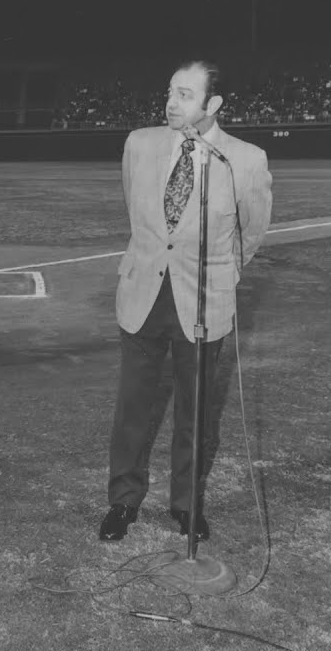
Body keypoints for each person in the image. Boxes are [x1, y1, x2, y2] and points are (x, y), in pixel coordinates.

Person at [99, 60, 273, 542]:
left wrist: (223, 272)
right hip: (142, 294)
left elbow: (251, 231)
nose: (171, 103)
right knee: (132, 406)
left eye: (184, 95)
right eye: (170, 92)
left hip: (203, 301)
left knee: (194, 413)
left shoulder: (245, 159)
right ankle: (122, 499)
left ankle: (185, 504)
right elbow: (136, 208)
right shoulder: (140, 144)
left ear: (212, 105)